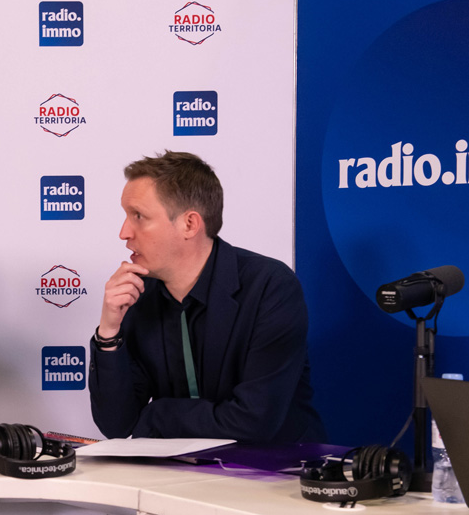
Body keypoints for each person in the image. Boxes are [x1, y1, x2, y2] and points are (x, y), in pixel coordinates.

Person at [89, 151, 325, 443]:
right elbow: (116, 425)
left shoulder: (269, 286)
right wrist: (109, 332)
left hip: (276, 466)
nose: (124, 232)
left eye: (138, 216)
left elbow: (254, 421)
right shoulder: (140, 293)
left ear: (189, 224)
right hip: (176, 469)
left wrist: (156, 416)